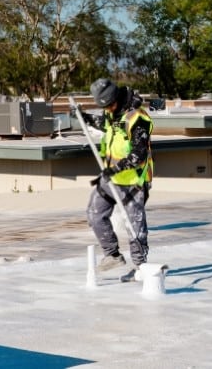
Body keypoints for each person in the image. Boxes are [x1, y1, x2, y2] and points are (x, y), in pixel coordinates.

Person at [75, 78, 154, 279]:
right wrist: (84, 117)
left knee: (134, 227)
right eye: (105, 107)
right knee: (95, 213)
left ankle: (141, 269)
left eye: (110, 105)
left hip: (134, 181)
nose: (108, 109)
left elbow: (139, 154)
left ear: (117, 98)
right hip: (112, 179)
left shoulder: (138, 118)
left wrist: (117, 168)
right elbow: (105, 125)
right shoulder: (111, 113)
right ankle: (112, 255)